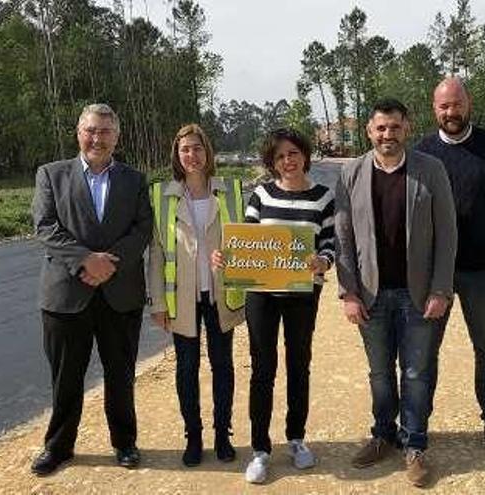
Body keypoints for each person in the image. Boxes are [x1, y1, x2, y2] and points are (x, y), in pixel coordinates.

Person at [335, 98, 457, 487]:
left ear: (407, 128)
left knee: (417, 372)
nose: (388, 135)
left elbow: (447, 234)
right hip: (371, 295)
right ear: (369, 131)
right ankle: (383, 434)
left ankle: (415, 445)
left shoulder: (431, 169)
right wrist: (348, 293)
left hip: (418, 294)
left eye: (395, 127)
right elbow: (342, 237)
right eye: (380, 128)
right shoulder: (351, 173)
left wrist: (440, 288)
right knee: (380, 373)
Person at [30, 103, 153, 475]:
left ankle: (125, 443)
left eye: (105, 131)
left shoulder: (134, 179)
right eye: (90, 130)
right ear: (78, 133)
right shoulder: (51, 175)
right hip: (66, 296)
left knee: (121, 375)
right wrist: (86, 260)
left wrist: (107, 263)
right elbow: (45, 226)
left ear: (117, 137)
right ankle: (59, 447)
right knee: (66, 378)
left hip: (120, 295)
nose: (96, 138)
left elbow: (142, 228)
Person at [213, 127, 335, 484]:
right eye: (280, 156)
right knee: (262, 369)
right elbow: (249, 241)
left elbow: (331, 242)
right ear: (272, 161)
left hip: (303, 294)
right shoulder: (261, 195)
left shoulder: (323, 197)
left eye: (293, 153)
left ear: (304, 155)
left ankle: (296, 440)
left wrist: (323, 262)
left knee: (300, 365)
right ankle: (261, 450)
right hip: (262, 296)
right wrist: (227, 255)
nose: (288, 161)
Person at [415, 77, 485, 450]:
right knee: (425, 350)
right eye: (444, 106)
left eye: (456, 104)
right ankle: (416, 423)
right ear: (434, 109)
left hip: (481, 268)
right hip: (432, 273)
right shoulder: (422, 153)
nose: (451, 112)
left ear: (468, 104)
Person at [147, 124, 245, 467]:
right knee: (186, 369)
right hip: (182, 299)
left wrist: (233, 259)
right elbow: (157, 254)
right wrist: (157, 303)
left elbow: (246, 242)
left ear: (208, 153)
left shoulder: (231, 191)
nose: (192, 155)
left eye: (198, 148)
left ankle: (222, 434)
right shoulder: (160, 195)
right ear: (177, 154)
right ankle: (194, 436)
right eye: (185, 149)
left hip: (221, 295)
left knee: (223, 366)